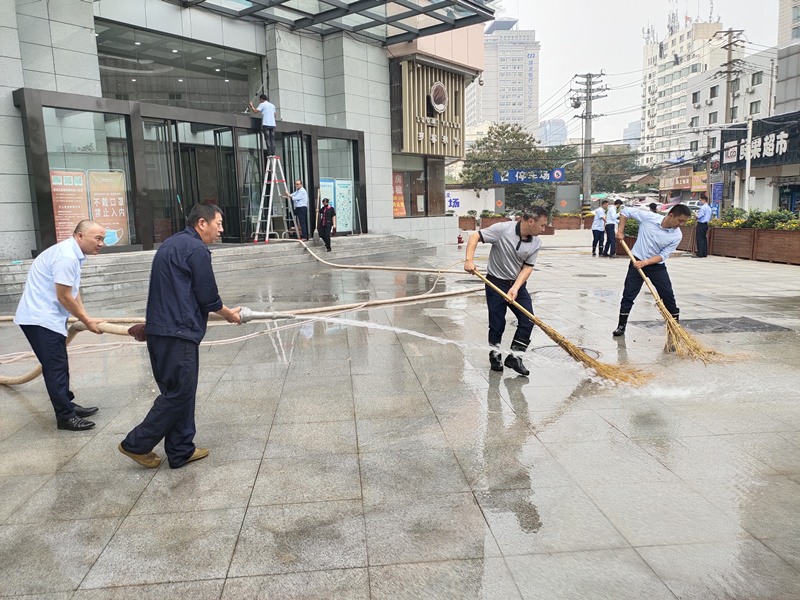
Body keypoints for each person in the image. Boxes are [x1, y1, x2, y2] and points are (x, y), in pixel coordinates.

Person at [119, 204, 242, 469]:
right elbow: (207, 295)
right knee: (180, 394)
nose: (221, 230)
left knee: (178, 391)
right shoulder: (196, 248)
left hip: (162, 331)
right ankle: (136, 443)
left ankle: (181, 450)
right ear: (202, 223)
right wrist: (229, 314)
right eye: (218, 224)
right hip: (178, 332)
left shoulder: (170, 244)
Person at [14, 220, 107, 431]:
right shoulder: (66, 256)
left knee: (59, 365)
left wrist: (84, 316)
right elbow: (64, 296)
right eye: (97, 238)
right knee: (55, 367)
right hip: (40, 319)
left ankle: (68, 404)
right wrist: (86, 321)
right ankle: (65, 417)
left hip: (47, 317)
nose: (101, 243)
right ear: (80, 236)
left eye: (103, 239)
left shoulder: (72, 253)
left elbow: (73, 290)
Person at [463, 205, 548, 376]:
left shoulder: (536, 242)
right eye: (542, 225)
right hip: (495, 283)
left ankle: (515, 357)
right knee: (497, 324)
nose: (543, 229)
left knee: (528, 320)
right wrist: (469, 260)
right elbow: (474, 236)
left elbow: (527, 268)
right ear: (531, 221)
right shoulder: (503, 229)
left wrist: (515, 288)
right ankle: (495, 356)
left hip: (517, 285)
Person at [612, 204, 692, 336]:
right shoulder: (649, 217)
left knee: (667, 294)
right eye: (680, 220)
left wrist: (646, 262)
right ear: (671, 215)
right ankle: (621, 326)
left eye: (684, 221)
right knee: (628, 294)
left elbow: (663, 255)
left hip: (656, 266)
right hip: (636, 262)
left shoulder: (676, 235)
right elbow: (626, 211)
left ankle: (674, 326)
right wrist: (620, 230)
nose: (681, 224)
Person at [695, 193, 712, 257]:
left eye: (701, 200)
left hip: (701, 224)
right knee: (704, 238)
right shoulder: (709, 208)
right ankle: (704, 253)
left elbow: (700, 215)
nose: (700, 202)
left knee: (700, 239)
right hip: (705, 224)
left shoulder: (703, 207)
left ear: (704, 200)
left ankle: (700, 253)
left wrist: (697, 215)